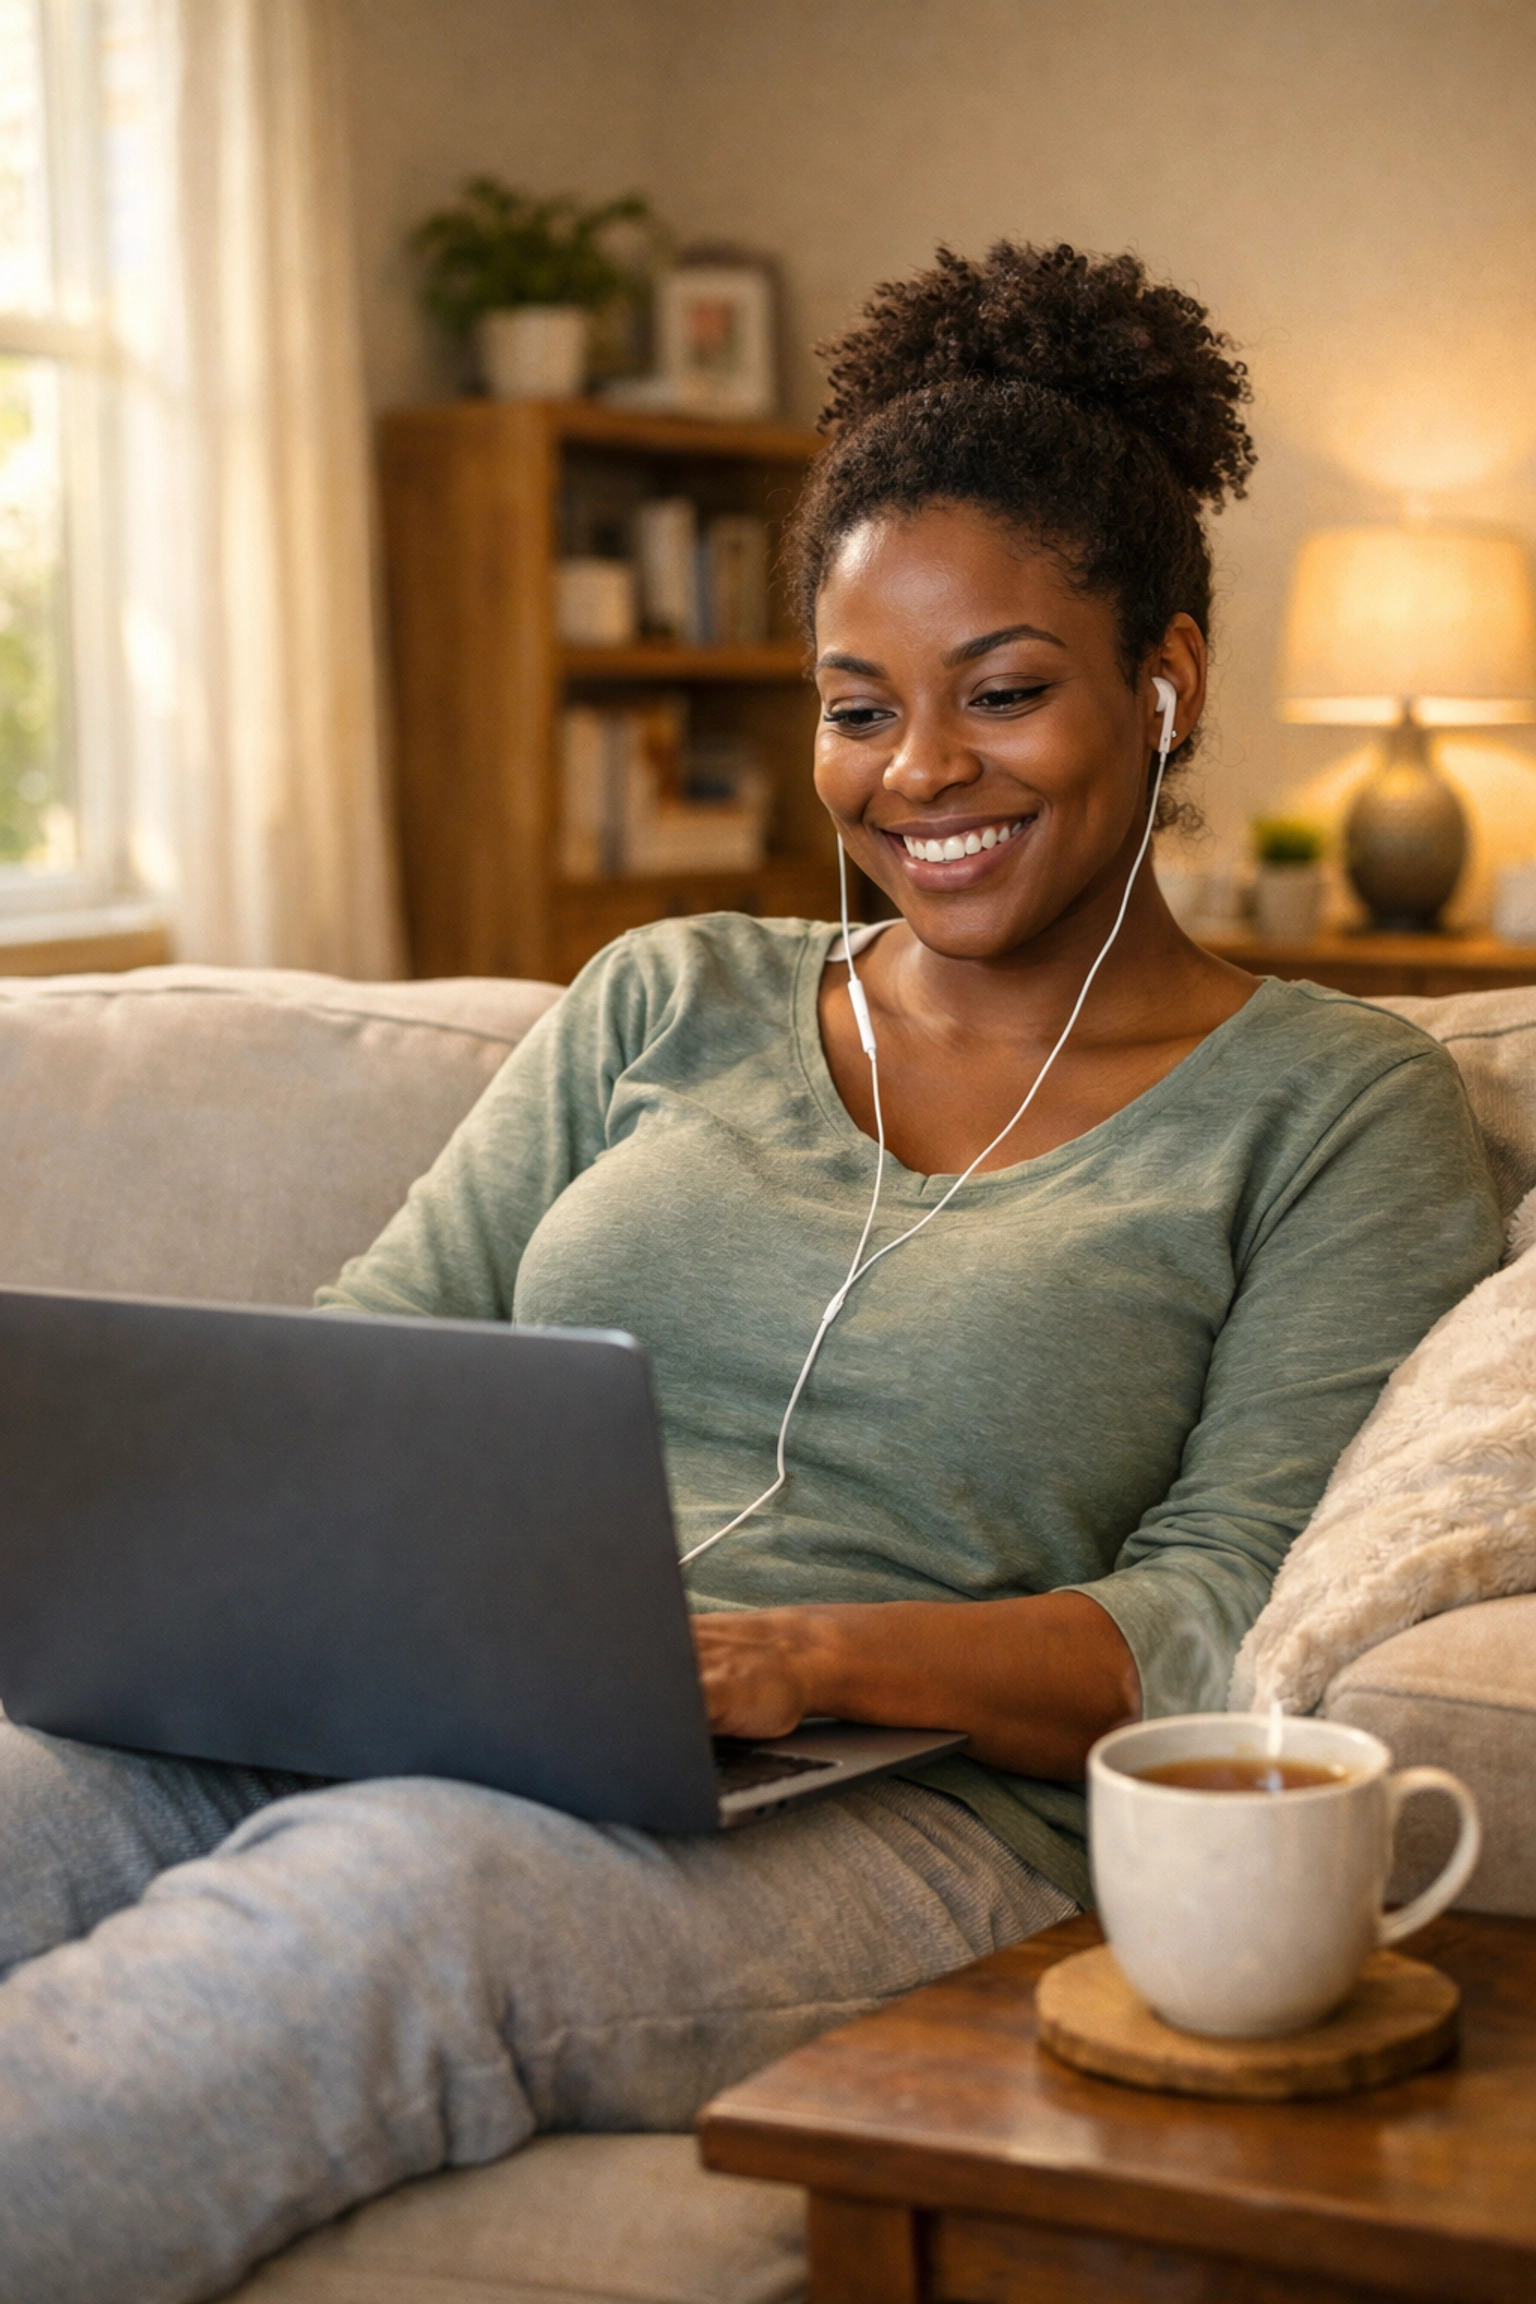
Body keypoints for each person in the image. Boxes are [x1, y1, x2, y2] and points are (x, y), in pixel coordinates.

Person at [0, 244, 1501, 2304]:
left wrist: (812, 1662)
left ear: (1170, 676)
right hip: (469, 1700)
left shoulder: (1334, 1109)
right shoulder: (663, 999)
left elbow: (1225, 1625)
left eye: (1004, 690)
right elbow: (365, 1361)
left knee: (384, 1901)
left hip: (920, 1824)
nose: (920, 776)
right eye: (858, 709)